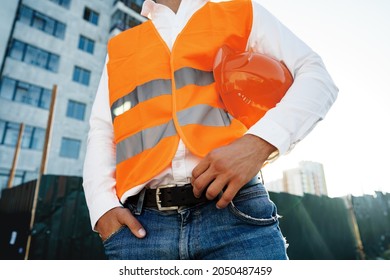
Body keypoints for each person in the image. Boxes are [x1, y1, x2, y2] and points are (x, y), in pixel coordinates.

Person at [83, 0, 338, 260]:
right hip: (140, 231)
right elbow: (103, 130)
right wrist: (102, 208)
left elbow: (316, 77)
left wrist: (258, 144)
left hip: (236, 214)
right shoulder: (120, 46)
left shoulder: (241, 13)